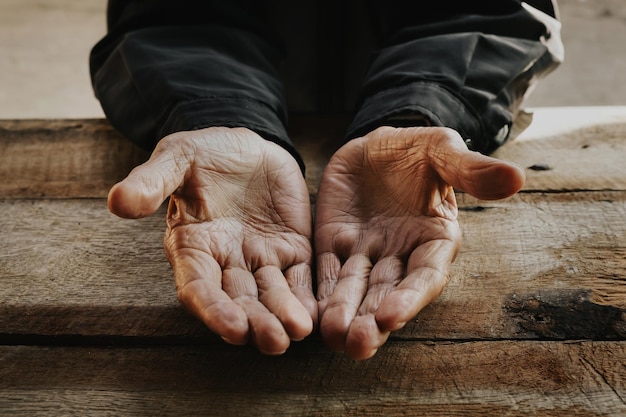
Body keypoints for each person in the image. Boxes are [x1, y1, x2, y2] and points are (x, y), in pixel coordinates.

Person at [90, 0, 563, 360]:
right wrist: (216, 112)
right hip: (245, 97)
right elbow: (175, 15)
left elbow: (487, 12)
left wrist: (421, 109)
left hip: (403, 85)